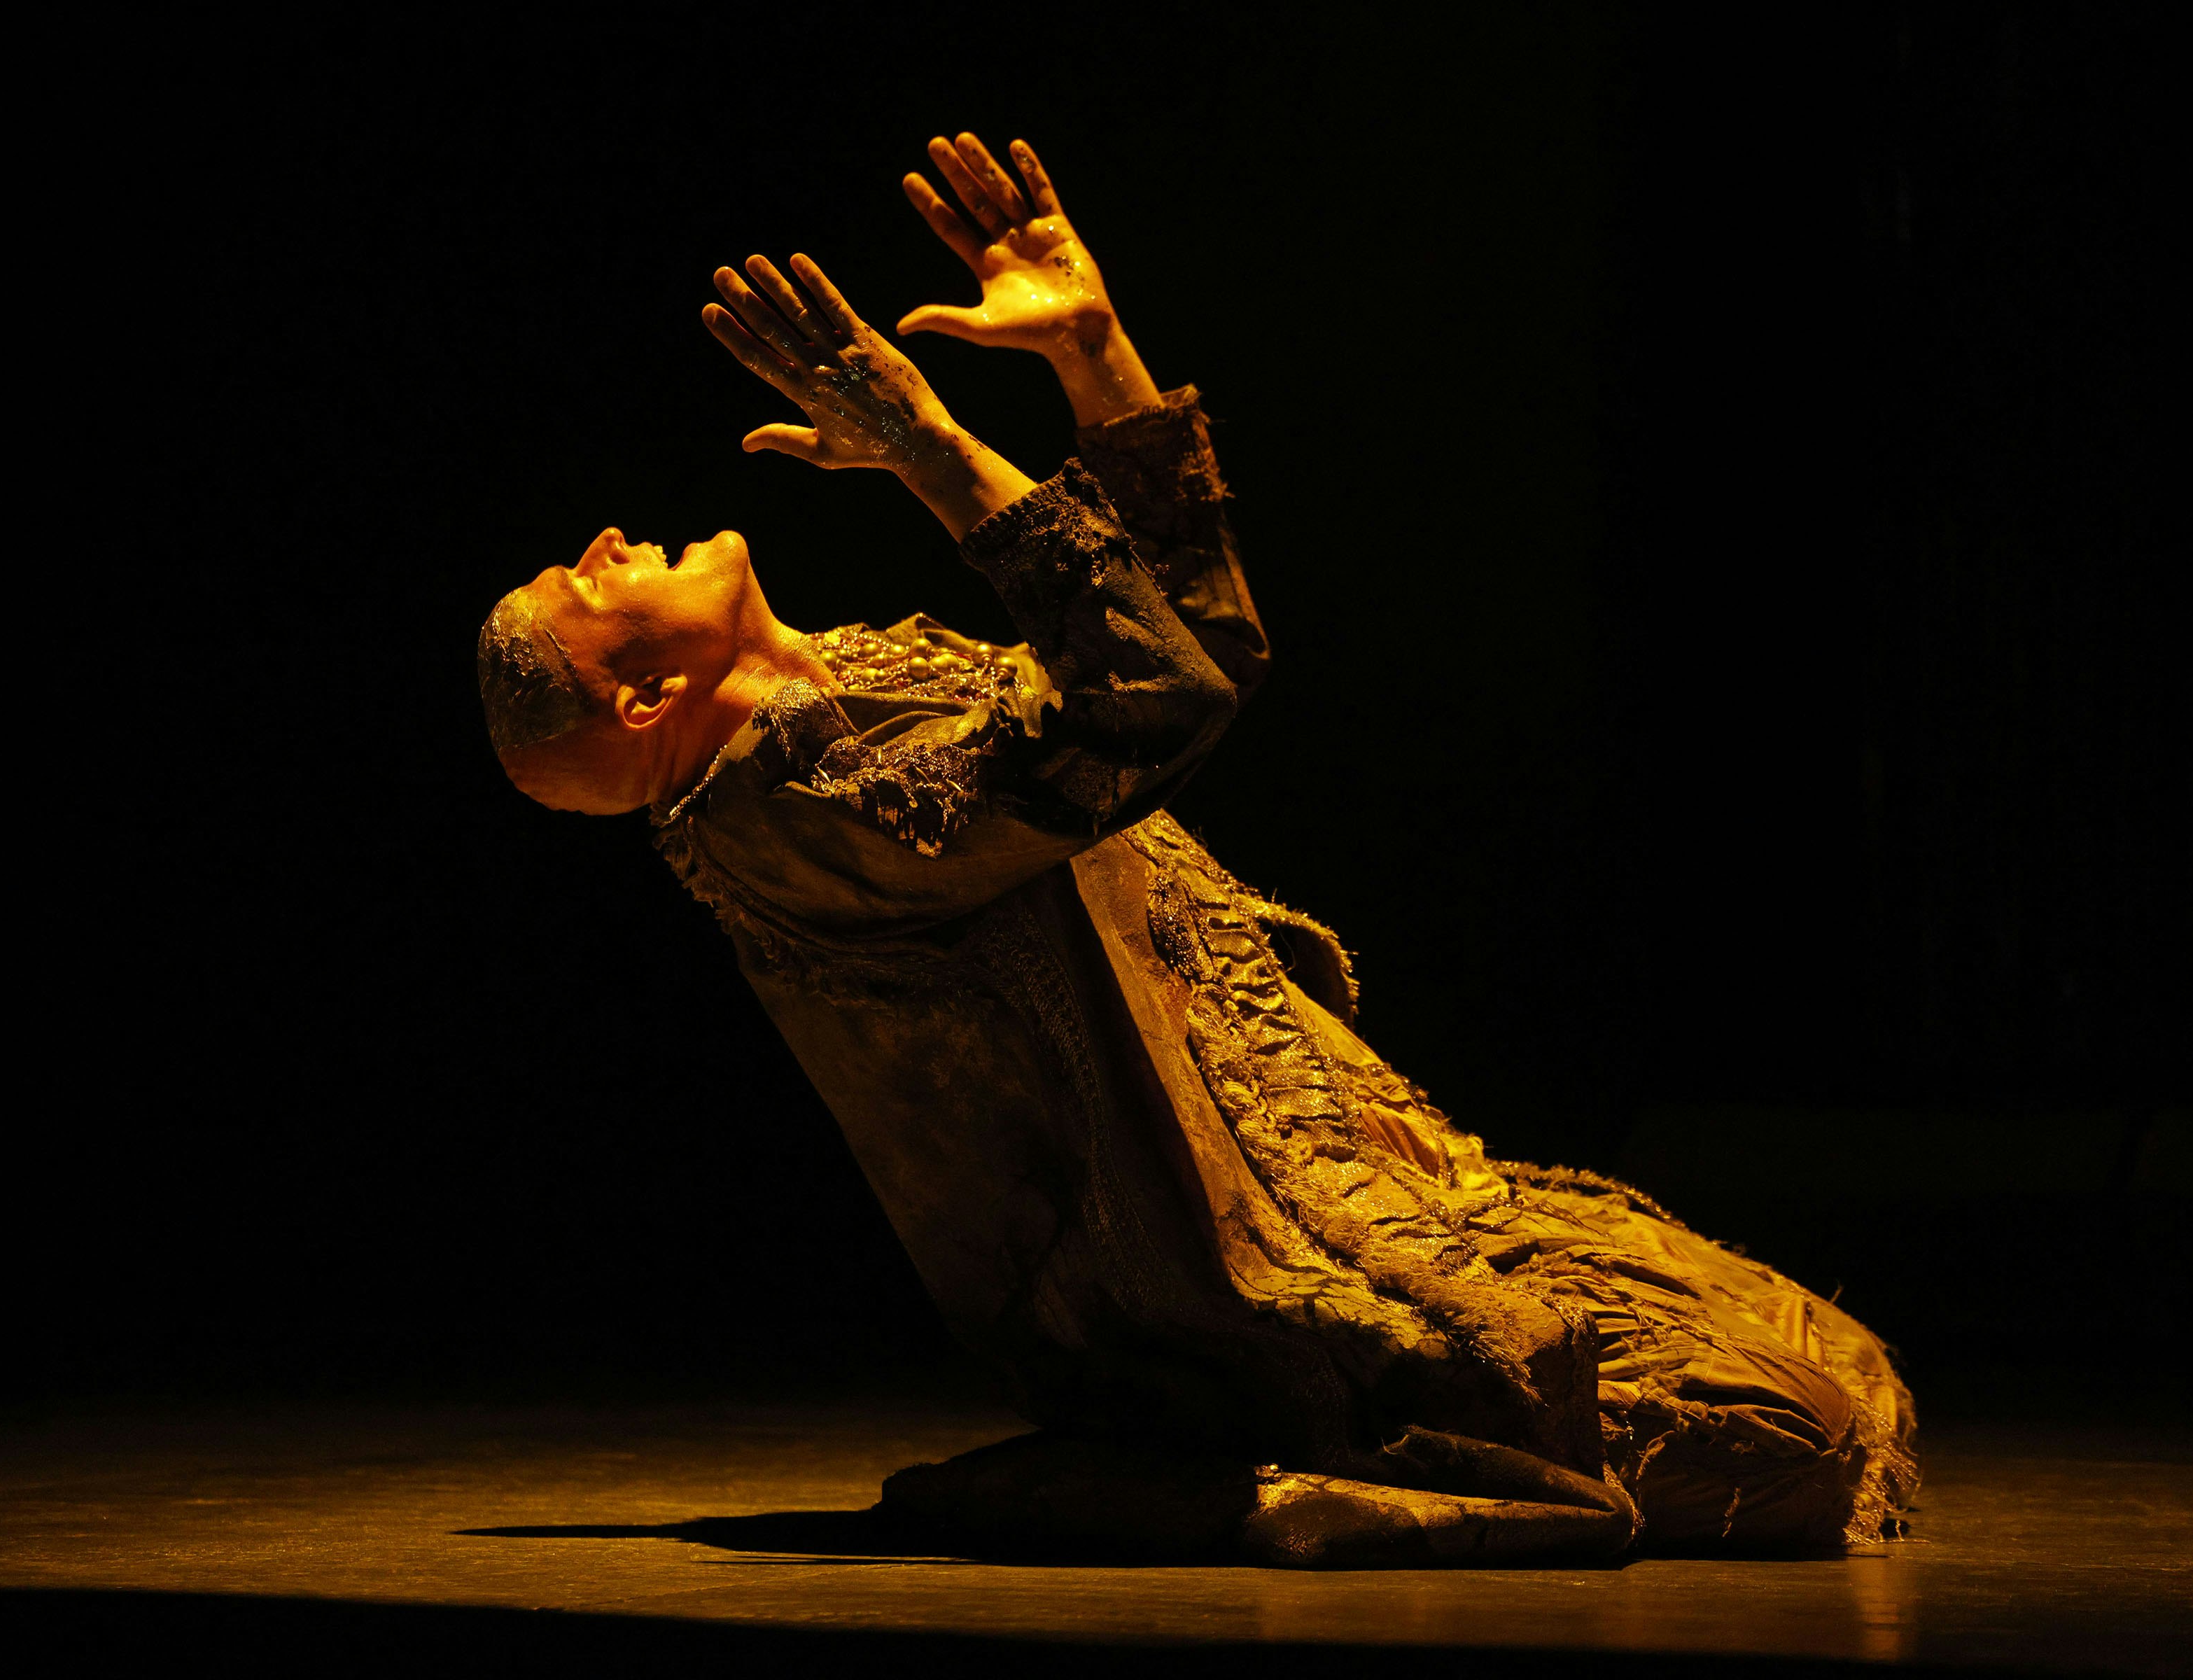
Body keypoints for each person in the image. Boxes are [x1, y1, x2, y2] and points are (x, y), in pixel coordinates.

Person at [477, 134, 1917, 1565]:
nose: (608, 534)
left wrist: (1094, 358)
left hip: (1354, 1161)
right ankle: (1280, 1487)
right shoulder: (789, 828)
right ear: (644, 697)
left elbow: (1201, 651)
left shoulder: (856, 679)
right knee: (1795, 1429)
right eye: (579, 583)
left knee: (1845, 1376)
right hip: (1235, 1288)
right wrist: (923, 442)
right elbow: (1162, 704)